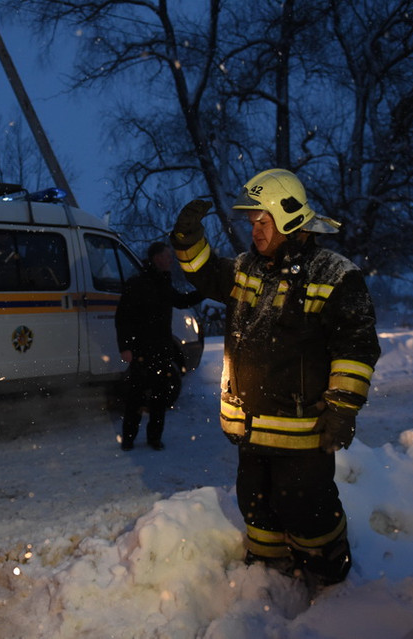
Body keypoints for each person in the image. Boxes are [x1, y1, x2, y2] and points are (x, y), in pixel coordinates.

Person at [169, 169, 381, 588]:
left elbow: (356, 349)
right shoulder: (249, 268)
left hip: (303, 433)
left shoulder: (336, 275)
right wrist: (187, 239)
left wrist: (341, 408)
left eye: (262, 222)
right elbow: (205, 272)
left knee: (307, 510)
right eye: (251, 224)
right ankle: (269, 579)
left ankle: (328, 577)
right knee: (257, 506)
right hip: (252, 430)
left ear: (289, 218)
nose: (255, 232)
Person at [115, 242, 203, 451]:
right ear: (156, 258)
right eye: (167, 256)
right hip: (141, 351)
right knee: (135, 398)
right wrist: (125, 347)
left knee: (159, 397)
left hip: (162, 350)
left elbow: (181, 301)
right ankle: (128, 438)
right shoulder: (137, 284)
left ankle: (154, 438)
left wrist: (205, 291)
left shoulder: (163, 282)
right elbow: (123, 317)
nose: (171, 260)